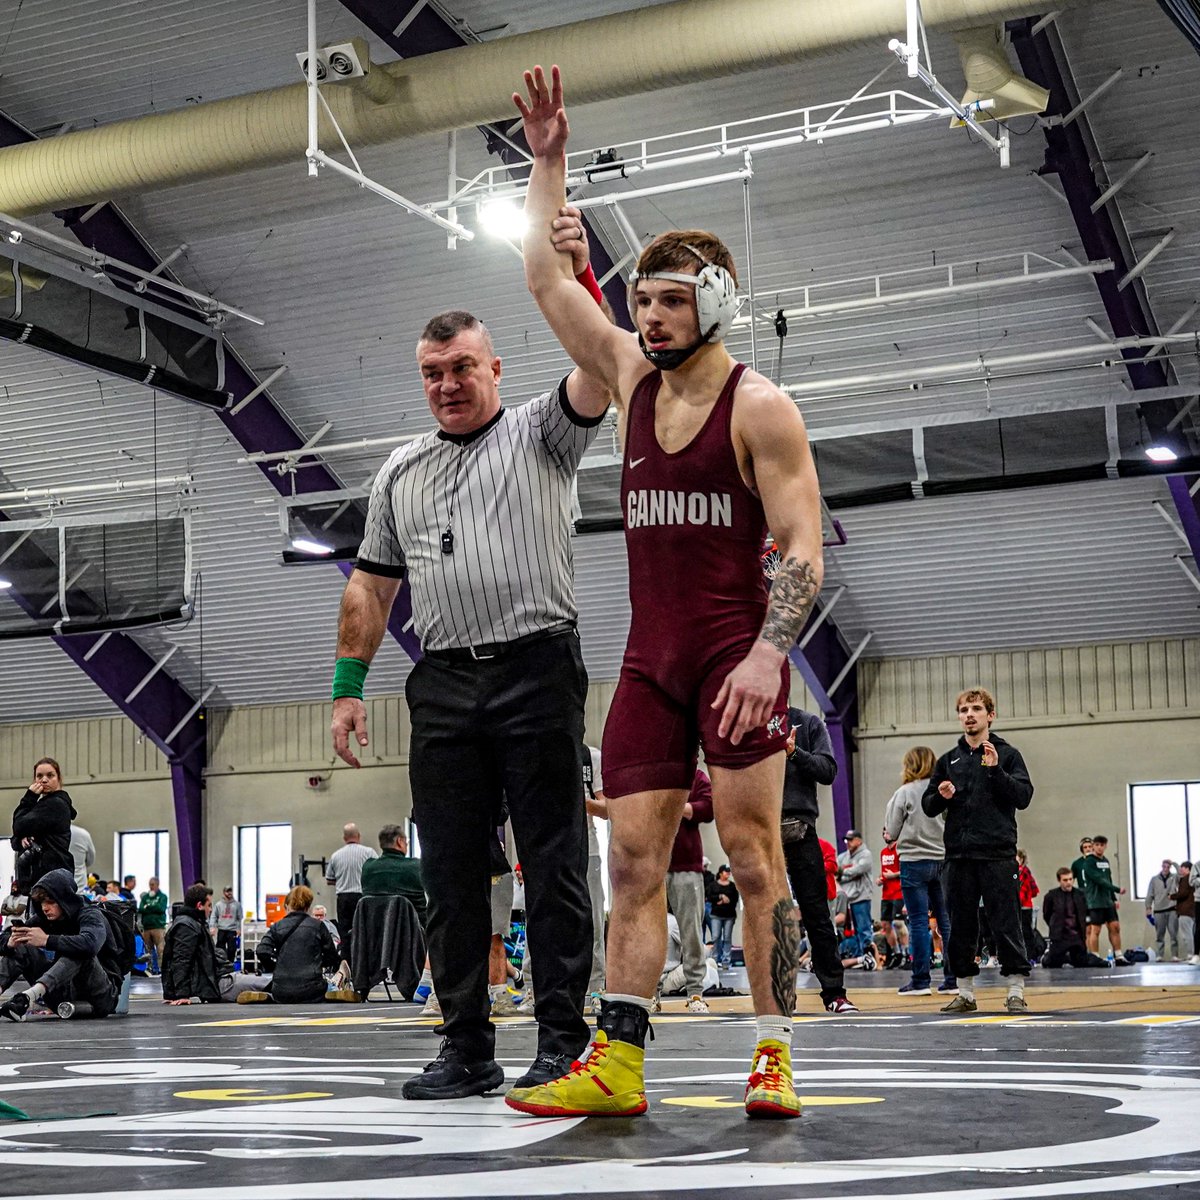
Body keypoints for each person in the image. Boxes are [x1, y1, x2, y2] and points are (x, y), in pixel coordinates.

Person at [506, 64, 824, 1123]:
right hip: (649, 659)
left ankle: (774, 1053)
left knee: (752, 857)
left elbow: (804, 549)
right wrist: (548, 158)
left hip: (738, 658)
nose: (647, 316)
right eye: (640, 299)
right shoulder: (633, 383)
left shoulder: (760, 407)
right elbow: (550, 286)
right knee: (633, 859)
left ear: (718, 303)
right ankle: (621, 1062)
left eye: (669, 299)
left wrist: (769, 655)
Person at [330, 272, 612, 1101]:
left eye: (460, 367)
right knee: (448, 876)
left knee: (554, 864)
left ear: (494, 369)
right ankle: (466, 1048)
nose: (446, 384)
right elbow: (369, 589)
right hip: (443, 682)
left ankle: (563, 1042)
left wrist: (577, 269)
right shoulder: (400, 472)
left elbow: (601, 362)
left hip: (537, 667)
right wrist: (349, 687)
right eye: (431, 371)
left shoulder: (544, 432)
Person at [922, 687, 1034, 1014]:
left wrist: (996, 770)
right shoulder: (948, 761)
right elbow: (929, 806)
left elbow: (1023, 797)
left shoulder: (1009, 754)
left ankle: (1015, 989)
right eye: (963, 710)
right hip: (958, 856)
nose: (969, 715)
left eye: (975, 709)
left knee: (1006, 921)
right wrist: (941, 796)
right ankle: (965, 992)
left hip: (997, 853)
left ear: (990, 715)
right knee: (960, 925)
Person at [780, 706, 857, 1014]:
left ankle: (834, 993)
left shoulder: (807, 723)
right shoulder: (746, 721)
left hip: (798, 827)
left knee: (817, 915)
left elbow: (828, 770)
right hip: (756, 830)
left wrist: (794, 752)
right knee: (764, 917)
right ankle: (775, 997)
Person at [0, 868, 121, 1021]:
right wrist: (9, 942)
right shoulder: (43, 918)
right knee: (21, 943)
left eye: (51, 902)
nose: (45, 907)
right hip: (61, 992)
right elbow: (4, 938)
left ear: (65, 900)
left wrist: (47, 940)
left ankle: (28, 997)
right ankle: (22, 996)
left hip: (100, 997)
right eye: (42, 902)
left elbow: (90, 944)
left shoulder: (90, 914)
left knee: (80, 950)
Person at [884, 745, 957, 997]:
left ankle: (920, 980)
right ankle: (952, 979)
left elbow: (891, 831)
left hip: (914, 861)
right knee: (945, 921)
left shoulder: (903, 792)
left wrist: (890, 835)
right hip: (942, 860)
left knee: (917, 922)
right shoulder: (943, 790)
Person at [243, 885, 348, 1004]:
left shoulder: (277, 927)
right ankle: (337, 983)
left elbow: (262, 951)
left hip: (281, 991)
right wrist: (318, 963)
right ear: (308, 906)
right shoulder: (318, 926)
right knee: (330, 985)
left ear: (287, 905)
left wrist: (276, 967)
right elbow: (332, 956)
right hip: (312, 991)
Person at [665, 769, 715, 1014]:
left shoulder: (696, 777)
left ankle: (695, 992)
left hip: (686, 864)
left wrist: (677, 807)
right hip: (653, 864)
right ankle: (650, 993)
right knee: (651, 933)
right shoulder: (652, 774)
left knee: (691, 931)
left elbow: (708, 808)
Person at [10, 757, 76, 894]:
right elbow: (15, 839)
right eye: (39, 776)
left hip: (50, 881)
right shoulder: (41, 805)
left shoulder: (55, 804)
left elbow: (18, 825)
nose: (44, 780)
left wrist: (29, 797)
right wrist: (21, 838)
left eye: (50, 775)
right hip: (40, 881)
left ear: (59, 778)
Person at [162, 884, 225, 1005]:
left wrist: (172, 993)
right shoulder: (187, 926)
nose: (211, 909)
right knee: (258, 984)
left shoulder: (192, 923)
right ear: (199, 905)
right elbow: (181, 960)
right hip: (211, 983)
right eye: (209, 905)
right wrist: (181, 994)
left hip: (211, 980)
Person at [324, 824, 378, 964]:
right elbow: (377, 873)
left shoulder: (336, 856)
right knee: (366, 932)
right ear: (358, 836)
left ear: (344, 838)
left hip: (344, 899)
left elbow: (330, 880)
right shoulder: (369, 853)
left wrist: (344, 880)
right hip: (363, 897)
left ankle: (347, 967)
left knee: (345, 934)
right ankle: (367, 967)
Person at [582, 744, 608, 1007]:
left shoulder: (591, 757)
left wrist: (584, 802)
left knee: (594, 920)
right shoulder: (540, 749)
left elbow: (607, 807)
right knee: (544, 919)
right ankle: (535, 987)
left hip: (587, 850)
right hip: (548, 851)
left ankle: (596, 988)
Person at [361, 825, 427, 925]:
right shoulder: (417, 866)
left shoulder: (368, 867)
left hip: (375, 933)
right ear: (399, 841)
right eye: (406, 842)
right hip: (413, 933)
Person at [1042, 868, 1107, 968]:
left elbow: (1085, 912)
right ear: (1059, 880)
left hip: (1076, 936)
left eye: (1070, 879)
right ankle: (1049, 956)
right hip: (1060, 937)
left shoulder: (1080, 895)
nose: (1068, 882)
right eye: (1065, 880)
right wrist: (1054, 926)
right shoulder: (1051, 896)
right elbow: (1047, 914)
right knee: (1053, 963)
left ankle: (1072, 958)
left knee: (1082, 962)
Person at [1084, 835, 1129, 965]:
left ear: (1105, 846)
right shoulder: (1089, 862)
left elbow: (1108, 879)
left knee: (1115, 927)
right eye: (1097, 845)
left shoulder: (1106, 860)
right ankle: (1095, 957)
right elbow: (1099, 879)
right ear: (1093, 846)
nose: (1099, 847)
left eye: (1102, 845)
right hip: (1095, 901)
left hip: (1107, 900)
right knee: (1095, 930)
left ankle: (1119, 955)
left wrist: (1114, 898)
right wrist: (1116, 889)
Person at [836, 831, 875, 961]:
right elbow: (836, 873)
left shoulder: (866, 855)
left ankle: (869, 956)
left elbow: (858, 870)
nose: (848, 843)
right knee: (852, 931)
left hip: (861, 897)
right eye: (847, 840)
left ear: (859, 841)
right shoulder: (843, 856)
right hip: (847, 897)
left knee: (863, 928)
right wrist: (844, 873)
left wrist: (843, 872)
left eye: (851, 840)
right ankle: (859, 956)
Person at [877, 834, 908, 969]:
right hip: (886, 894)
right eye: (883, 832)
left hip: (898, 893)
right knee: (885, 924)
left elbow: (906, 871)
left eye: (888, 832)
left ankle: (907, 955)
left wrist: (893, 875)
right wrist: (881, 879)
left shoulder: (900, 849)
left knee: (899, 923)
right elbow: (883, 872)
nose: (885, 835)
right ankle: (897, 954)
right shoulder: (883, 852)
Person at [1145, 858, 1180, 961]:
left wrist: (1174, 863)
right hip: (1159, 910)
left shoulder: (1174, 877)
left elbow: (1181, 875)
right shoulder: (1154, 879)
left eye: (1168, 867)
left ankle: (1175, 955)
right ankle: (1159, 955)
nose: (1166, 868)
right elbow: (1150, 894)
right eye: (1164, 866)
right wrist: (1148, 908)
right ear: (1161, 866)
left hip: (1172, 909)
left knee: (1173, 933)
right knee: (1159, 934)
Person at [707, 865, 740, 969]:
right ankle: (715, 959)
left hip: (729, 915)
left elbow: (735, 899)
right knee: (715, 937)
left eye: (729, 872)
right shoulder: (713, 885)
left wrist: (727, 901)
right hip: (716, 914)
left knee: (727, 938)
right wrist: (720, 898)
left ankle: (726, 960)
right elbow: (709, 897)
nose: (728, 874)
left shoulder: (732, 886)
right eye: (726, 872)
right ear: (721, 873)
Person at [138, 877, 169, 976]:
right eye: (150, 884)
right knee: (148, 950)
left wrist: (148, 907)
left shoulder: (162, 896)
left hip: (158, 926)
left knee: (161, 950)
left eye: (153, 884)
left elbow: (161, 908)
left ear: (157, 885)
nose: (151, 886)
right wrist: (151, 908)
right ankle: (151, 969)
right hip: (147, 927)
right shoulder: (145, 897)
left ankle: (162, 970)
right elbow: (141, 909)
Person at [1016, 849, 1039, 964]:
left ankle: (1029, 956)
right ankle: (1029, 956)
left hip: (1022, 906)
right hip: (1025, 906)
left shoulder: (1022, 872)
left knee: (1024, 932)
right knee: (1026, 932)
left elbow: (1024, 890)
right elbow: (1034, 890)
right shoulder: (1024, 871)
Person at [210, 886, 242, 963]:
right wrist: (212, 927)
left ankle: (230, 963)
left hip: (232, 930)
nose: (229, 893)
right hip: (222, 929)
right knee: (220, 948)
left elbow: (239, 918)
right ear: (224, 893)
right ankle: (221, 963)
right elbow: (214, 916)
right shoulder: (218, 905)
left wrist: (239, 928)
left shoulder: (237, 905)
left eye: (230, 891)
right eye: (227, 891)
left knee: (232, 949)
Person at [1174, 863, 1198, 966]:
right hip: (1192, 910)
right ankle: (1193, 954)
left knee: (1187, 934)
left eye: (1182, 868)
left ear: (1187, 869)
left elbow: (1182, 893)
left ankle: (1191, 954)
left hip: (1185, 910)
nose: (1180, 870)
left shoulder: (1186, 879)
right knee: (1191, 933)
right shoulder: (1190, 879)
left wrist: (1172, 896)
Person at [69, 824, 96, 892]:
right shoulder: (83, 833)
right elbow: (90, 860)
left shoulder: (45, 832)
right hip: (79, 885)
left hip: (52, 889)